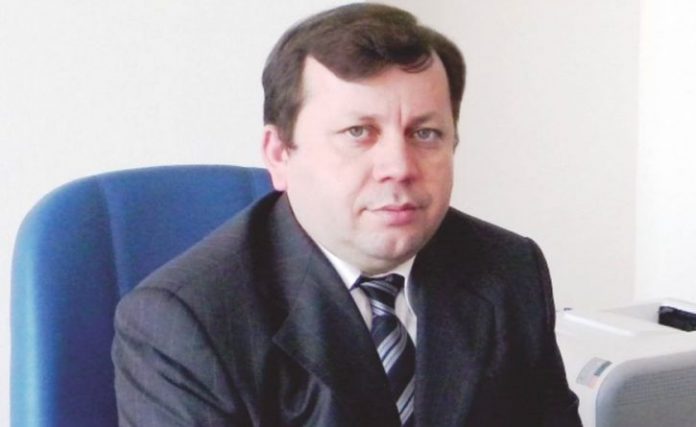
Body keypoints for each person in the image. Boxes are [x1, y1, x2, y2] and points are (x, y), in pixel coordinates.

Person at [112, 3, 582, 426]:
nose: (399, 167)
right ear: (279, 154)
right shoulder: (185, 323)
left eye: (425, 134)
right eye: (359, 132)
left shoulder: (507, 269)